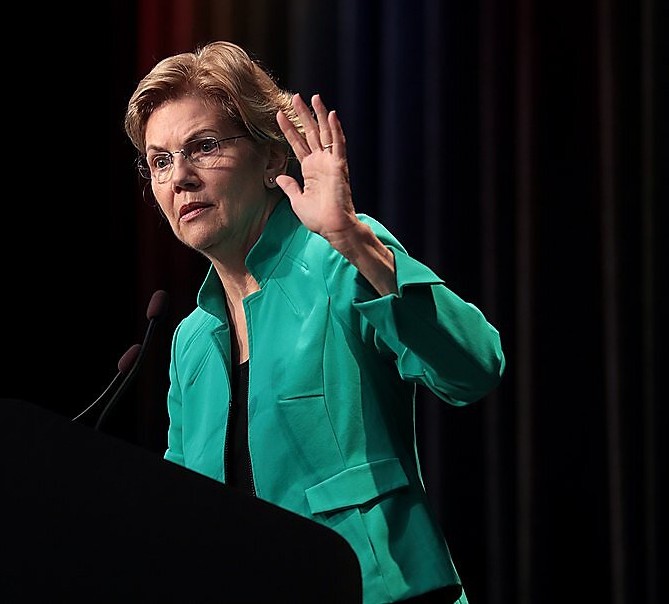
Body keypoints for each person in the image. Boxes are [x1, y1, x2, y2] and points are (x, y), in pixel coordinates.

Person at [123, 40, 505, 604]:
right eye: (160, 161)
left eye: (202, 147)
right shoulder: (190, 340)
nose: (179, 178)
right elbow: (184, 516)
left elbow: (473, 369)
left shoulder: (338, 256)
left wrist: (354, 240)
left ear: (273, 158)